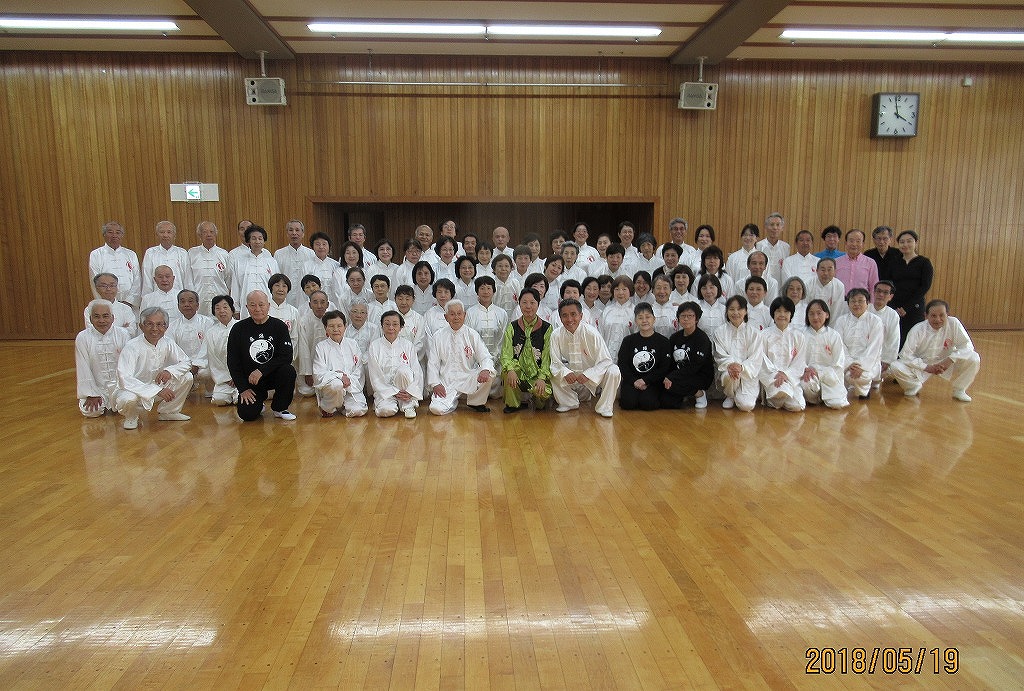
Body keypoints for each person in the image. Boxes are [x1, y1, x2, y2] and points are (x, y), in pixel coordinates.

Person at [114, 307, 193, 429]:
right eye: (149, 324)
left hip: (157, 385)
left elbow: (186, 362)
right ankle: (131, 417)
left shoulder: (167, 342)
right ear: (141, 326)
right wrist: (156, 390)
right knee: (128, 399)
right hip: (133, 389)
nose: (155, 328)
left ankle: (169, 412)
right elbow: (125, 378)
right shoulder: (132, 346)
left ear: (166, 327)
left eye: (159, 324)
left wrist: (170, 371)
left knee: (187, 377)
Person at [227, 290, 297, 422]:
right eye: (253, 305)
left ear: (268, 306)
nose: (257, 309)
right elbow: (233, 362)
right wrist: (243, 389)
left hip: (272, 375)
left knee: (288, 370)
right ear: (247, 307)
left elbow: (286, 356)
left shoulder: (279, 326)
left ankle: (280, 408)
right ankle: (259, 403)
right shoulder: (238, 329)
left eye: (261, 304)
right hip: (251, 380)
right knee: (247, 415)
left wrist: (261, 371)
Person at [890, 300, 981, 402]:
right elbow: (906, 355)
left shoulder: (954, 323)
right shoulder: (918, 329)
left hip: (947, 362)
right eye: (933, 316)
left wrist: (950, 360)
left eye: (942, 315)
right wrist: (926, 367)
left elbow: (967, 346)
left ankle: (960, 390)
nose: (938, 319)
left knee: (974, 358)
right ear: (926, 316)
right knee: (895, 366)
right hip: (923, 363)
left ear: (948, 314)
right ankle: (913, 386)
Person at [549, 299, 621, 417]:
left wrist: (589, 374)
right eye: (565, 315)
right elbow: (555, 363)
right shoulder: (556, 335)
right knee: (553, 372)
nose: (569, 319)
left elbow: (606, 361)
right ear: (560, 318)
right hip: (571, 377)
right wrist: (565, 372)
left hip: (591, 377)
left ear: (581, 316)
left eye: (573, 314)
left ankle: (605, 407)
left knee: (614, 371)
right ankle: (568, 402)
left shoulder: (592, 333)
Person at [426, 300, 496, 415]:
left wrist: (485, 369)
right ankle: (453, 400)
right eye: (452, 314)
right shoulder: (438, 336)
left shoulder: (472, 334)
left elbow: (485, 356)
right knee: (436, 409)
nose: (456, 317)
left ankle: (475, 402)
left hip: (467, 377)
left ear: (464, 315)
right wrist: (435, 384)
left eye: (459, 313)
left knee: (490, 373)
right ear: (446, 317)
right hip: (446, 381)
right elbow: (433, 363)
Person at [499, 288, 553, 413]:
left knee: (542, 397)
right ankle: (513, 405)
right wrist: (510, 369)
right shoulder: (512, 327)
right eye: (524, 302)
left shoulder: (547, 328)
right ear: (519, 304)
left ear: (538, 304)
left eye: (532, 303)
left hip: (537, 374)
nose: (528, 306)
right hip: (518, 371)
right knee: (507, 372)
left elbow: (547, 357)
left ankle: (536, 399)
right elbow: (506, 354)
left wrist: (542, 377)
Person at [76, 300, 130, 418]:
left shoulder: (123, 334)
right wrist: (91, 393)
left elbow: (128, 365)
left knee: (128, 403)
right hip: (97, 388)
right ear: (90, 319)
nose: (101, 321)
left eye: (105, 316)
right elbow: (83, 367)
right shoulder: (82, 337)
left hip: (120, 386)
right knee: (91, 411)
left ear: (112, 318)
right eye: (97, 317)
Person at [367, 310, 422, 418]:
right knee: (386, 411)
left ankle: (407, 405)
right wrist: (393, 392)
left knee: (404, 370)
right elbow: (375, 375)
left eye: (395, 324)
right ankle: (387, 403)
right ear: (382, 326)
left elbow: (417, 371)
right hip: (385, 391)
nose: (391, 327)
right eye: (387, 324)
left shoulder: (408, 345)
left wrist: (410, 392)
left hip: (405, 390)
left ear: (401, 327)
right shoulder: (375, 346)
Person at [712, 295, 763, 411]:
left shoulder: (754, 333)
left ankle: (740, 396)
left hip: (747, 373)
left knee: (746, 406)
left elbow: (756, 357)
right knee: (731, 374)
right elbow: (719, 355)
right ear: (727, 311)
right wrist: (731, 365)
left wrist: (741, 367)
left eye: (739, 309)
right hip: (728, 372)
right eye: (731, 309)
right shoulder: (719, 332)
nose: (735, 313)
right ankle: (730, 395)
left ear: (745, 311)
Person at [617, 303, 672, 411]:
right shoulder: (628, 341)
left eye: (648, 317)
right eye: (640, 318)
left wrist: (645, 380)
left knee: (648, 403)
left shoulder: (663, 341)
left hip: (653, 382)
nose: (644, 321)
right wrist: (634, 381)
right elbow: (622, 364)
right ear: (636, 321)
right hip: (632, 381)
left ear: (654, 319)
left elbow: (664, 368)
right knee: (628, 404)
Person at [313, 310, 368, 417]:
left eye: (339, 326)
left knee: (358, 411)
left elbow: (359, 369)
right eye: (331, 326)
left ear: (345, 326)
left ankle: (341, 406)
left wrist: (348, 380)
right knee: (337, 384)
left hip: (352, 386)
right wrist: (340, 376)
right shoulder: (321, 347)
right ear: (325, 328)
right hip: (332, 389)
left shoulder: (352, 344)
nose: (336, 329)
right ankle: (327, 407)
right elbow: (319, 373)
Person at [661, 301, 714, 409]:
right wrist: (667, 376)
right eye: (683, 316)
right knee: (667, 402)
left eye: (690, 316)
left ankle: (699, 393)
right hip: (680, 375)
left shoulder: (702, 338)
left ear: (696, 319)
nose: (686, 319)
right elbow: (670, 361)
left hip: (699, 375)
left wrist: (672, 377)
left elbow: (695, 366)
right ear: (678, 318)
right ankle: (684, 394)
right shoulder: (674, 338)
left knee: (674, 383)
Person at [833, 288, 884, 399]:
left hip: (868, 363)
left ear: (868, 303)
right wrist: (849, 363)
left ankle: (864, 390)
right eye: (853, 301)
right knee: (835, 375)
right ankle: (856, 387)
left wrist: (861, 366)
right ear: (848, 304)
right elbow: (839, 346)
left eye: (860, 301)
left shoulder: (875, 321)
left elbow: (874, 348)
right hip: (847, 363)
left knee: (861, 377)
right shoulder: (841, 321)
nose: (856, 304)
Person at [759, 297, 807, 412]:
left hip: (790, 379)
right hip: (772, 378)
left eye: (786, 311)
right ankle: (774, 398)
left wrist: (786, 374)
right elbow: (761, 359)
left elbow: (800, 361)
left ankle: (780, 399)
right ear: (773, 314)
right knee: (780, 392)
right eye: (778, 311)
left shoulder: (798, 336)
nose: (782, 315)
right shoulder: (764, 335)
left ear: (791, 314)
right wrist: (776, 374)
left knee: (797, 406)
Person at [466, 275, 510, 399]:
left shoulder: (501, 313)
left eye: (489, 288)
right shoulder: (470, 313)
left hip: (497, 359)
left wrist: (494, 357)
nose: (486, 292)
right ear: (477, 292)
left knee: (496, 392)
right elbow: (469, 339)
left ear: (494, 291)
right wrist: (480, 359)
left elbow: (503, 338)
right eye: (482, 288)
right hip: (476, 362)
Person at [800, 299, 849, 409]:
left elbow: (839, 363)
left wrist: (819, 372)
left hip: (829, 377)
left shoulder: (834, 335)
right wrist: (805, 369)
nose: (815, 317)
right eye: (811, 314)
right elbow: (796, 359)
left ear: (827, 315)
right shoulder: (801, 335)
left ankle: (827, 395)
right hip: (809, 376)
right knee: (806, 384)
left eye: (819, 313)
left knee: (836, 404)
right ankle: (815, 398)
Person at [889, 230, 934, 346]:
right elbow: (889, 284)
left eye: (909, 241)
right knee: (896, 338)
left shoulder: (924, 262)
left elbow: (925, 286)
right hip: (895, 306)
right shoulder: (894, 262)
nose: (905, 244)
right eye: (902, 242)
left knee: (914, 339)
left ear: (916, 243)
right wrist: (894, 306)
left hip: (915, 306)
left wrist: (906, 307)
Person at [166, 289, 212, 394]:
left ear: (197, 305)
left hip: (203, 364)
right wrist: (186, 366)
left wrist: (197, 364)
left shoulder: (207, 323)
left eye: (190, 301)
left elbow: (210, 347)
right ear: (178, 306)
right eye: (182, 302)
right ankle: (187, 389)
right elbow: (172, 351)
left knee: (206, 373)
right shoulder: (172, 327)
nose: (186, 304)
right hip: (183, 365)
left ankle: (210, 390)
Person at [89, 221, 142, 310]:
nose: (114, 235)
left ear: (122, 235)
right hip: (107, 305)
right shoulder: (96, 254)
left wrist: (129, 302)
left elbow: (137, 280)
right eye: (110, 232)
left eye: (118, 232)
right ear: (104, 235)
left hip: (130, 305)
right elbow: (95, 281)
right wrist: (105, 303)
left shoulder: (131, 254)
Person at [231, 225, 280, 319]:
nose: (257, 241)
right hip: (246, 305)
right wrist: (236, 308)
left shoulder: (271, 262)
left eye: (260, 238)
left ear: (264, 241)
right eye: (253, 238)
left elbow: (276, 285)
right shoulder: (239, 262)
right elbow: (235, 286)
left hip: (268, 305)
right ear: (248, 241)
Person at [189, 221, 232, 316]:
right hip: (199, 301)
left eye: (211, 232)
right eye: (205, 232)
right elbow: (189, 279)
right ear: (200, 235)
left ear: (215, 234)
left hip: (220, 300)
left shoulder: (224, 254)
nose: (209, 235)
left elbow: (228, 280)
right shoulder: (192, 254)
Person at [296, 290, 332, 397]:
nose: (319, 306)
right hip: (310, 364)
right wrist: (308, 373)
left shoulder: (333, 321)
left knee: (332, 387)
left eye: (322, 302)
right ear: (310, 305)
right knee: (307, 391)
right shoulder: (303, 322)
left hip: (330, 364)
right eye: (315, 302)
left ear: (327, 304)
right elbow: (303, 349)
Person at [142, 220, 192, 295]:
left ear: (174, 235)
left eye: (169, 232)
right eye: (162, 232)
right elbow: (147, 280)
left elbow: (188, 279)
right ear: (157, 235)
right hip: (157, 297)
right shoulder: (150, 253)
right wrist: (147, 298)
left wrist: (189, 296)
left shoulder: (182, 253)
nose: (165, 235)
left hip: (178, 297)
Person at [274, 219, 315, 308]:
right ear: (287, 233)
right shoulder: (279, 254)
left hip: (306, 298)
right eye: (291, 230)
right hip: (286, 297)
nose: (294, 233)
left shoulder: (311, 254)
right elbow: (276, 278)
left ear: (303, 233)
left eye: (297, 230)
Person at [206, 295, 239, 405]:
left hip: (242, 377)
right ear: (214, 311)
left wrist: (237, 376)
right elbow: (213, 359)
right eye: (218, 308)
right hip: (224, 379)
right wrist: (227, 378)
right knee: (219, 400)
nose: (222, 311)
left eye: (225, 307)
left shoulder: (241, 327)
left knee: (241, 399)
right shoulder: (211, 332)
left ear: (232, 309)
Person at [869, 280, 900, 389]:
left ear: (890, 296)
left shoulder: (893, 315)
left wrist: (887, 361)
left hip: (881, 357)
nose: (881, 295)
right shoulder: (864, 309)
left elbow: (894, 340)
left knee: (875, 384)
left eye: (885, 292)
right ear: (874, 293)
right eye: (878, 291)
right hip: (862, 353)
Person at [599, 276, 636, 359]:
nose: (620, 292)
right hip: (607, 355)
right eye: (617, 289)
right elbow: (600, 334)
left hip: (627, 356)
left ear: (630, 291)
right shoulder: (607, 311)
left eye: (624, 289)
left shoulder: (634, 311)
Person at [834, 229, 879, 293]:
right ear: (846, 243)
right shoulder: (836, 262)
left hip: (862, 299)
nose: (854, 244)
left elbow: (874, 287)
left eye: (858, 241)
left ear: (863, 244)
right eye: (851, 241)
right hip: (840, 298)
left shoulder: (871, 263)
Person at [303, 232, 340, 302]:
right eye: (317, 244)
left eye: (324, 244)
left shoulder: (336, 265)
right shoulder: (306, 266)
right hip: (314, 304)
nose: (321, 247)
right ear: (312, 247)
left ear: (329, 246)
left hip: (333, 304)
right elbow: (302, 291)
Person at [755, 213, 790, 284]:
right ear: (766, 227)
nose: (775, 228)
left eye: (778, 225)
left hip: (780, 286)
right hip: (761, 285)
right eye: (772, 224)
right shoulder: (758, 246)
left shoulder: (786, 247)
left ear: (782, 228)